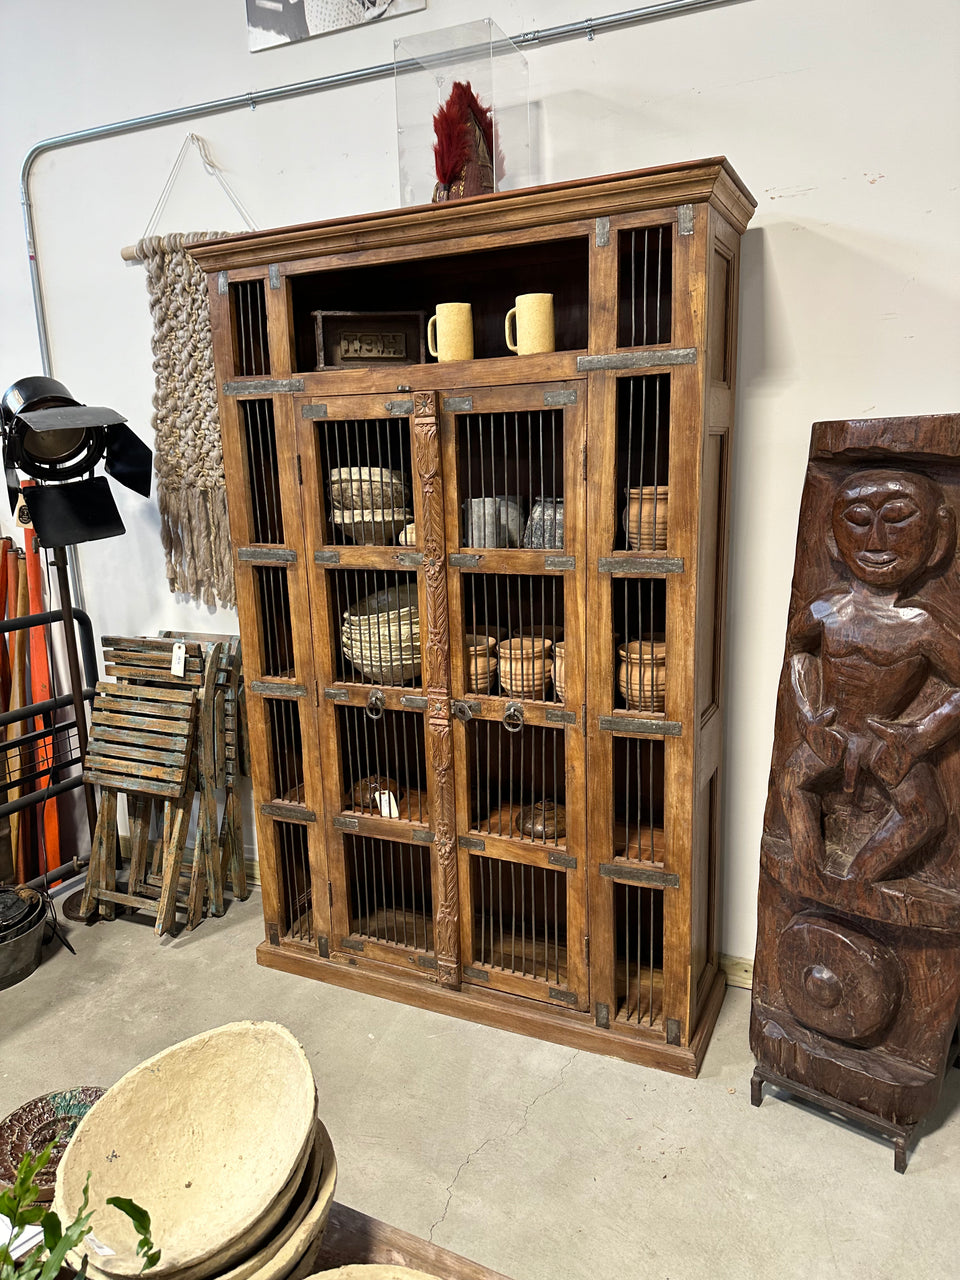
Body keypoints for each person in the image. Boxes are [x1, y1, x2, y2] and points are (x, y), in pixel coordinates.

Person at [781, 468, 960, 881]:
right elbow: (798, 648)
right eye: (859, 521)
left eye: (897, 519)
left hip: (886, 741)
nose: (876, 542)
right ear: (831, 539)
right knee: (792, 780)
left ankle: (858, 878)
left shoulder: (922, 625)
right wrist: (809, 718)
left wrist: (918, 737)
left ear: (940, 538)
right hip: (834, 732)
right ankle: (812, 872)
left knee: (925, 813)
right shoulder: (828, 609)